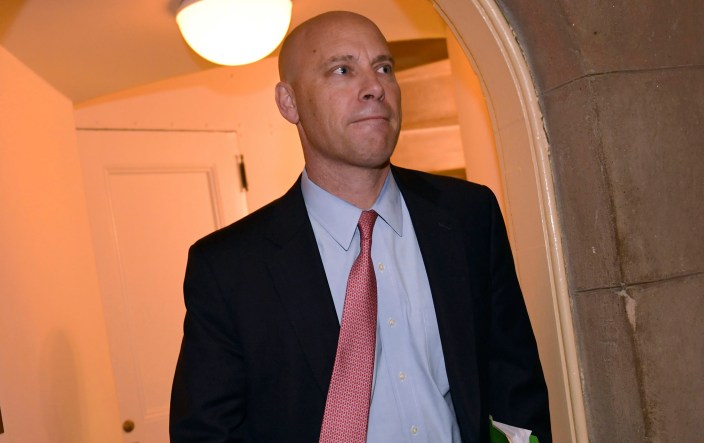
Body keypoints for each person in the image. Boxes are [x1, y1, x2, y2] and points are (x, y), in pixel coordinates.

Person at [170, 10, 550, 443]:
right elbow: (205, 432)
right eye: (342, 70)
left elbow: (514, 382)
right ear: (288, 103)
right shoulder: (229, 267)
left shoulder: (468, 216)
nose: (375, 88)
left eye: (384, 68)